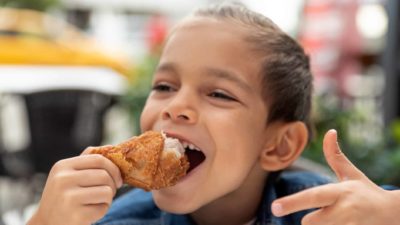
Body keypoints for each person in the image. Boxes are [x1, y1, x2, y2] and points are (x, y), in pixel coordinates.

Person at [27, 2, 400, 225]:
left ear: (279, 145)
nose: (175, 106)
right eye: (164, 87)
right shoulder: (114, 220)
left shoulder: (330, 214)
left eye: (219, 94)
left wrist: (390, 211)